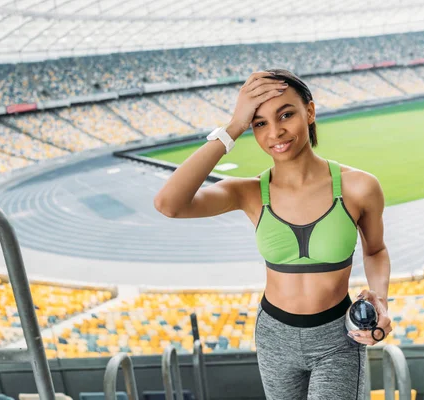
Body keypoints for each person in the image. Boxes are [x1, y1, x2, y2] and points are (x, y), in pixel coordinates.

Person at [154, 69, 392, 400]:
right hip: (274, 336)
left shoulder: (359, 187)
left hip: (335, 338)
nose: (276, 131)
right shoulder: (249, 192)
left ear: (309, 112)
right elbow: (169, 204)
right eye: (259, 123)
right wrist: (232, 128)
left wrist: (380, 298)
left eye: (286, 115)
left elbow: (375, 250)